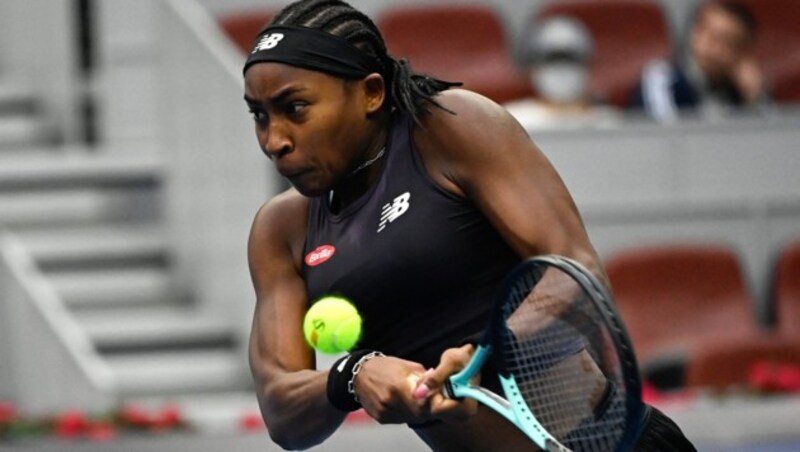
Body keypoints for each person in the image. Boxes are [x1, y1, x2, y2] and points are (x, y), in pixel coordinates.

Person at [244, 0, 695, 450]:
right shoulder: (281, 229)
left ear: (371, 93)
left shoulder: (449, 128)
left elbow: (575, 268)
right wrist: (352, 377)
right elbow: (283, 414)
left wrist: (488, 351)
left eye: (295, 108)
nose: (274, 140)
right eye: (259, 114)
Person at [630, 0, 766, 121]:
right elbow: (669, 140)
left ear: (743, 53)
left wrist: (755, 99)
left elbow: (771, 140)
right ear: (694, 32)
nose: (715, 50)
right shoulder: (663, 79)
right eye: (711, 37)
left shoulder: (740, 91)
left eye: (728, 43)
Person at [504, 16, 620, 132]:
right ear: (532, 69)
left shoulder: (608, 122)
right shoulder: (514, 120)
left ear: (588, 66)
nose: (561, 69)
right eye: (551, 60)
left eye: (570, 59)